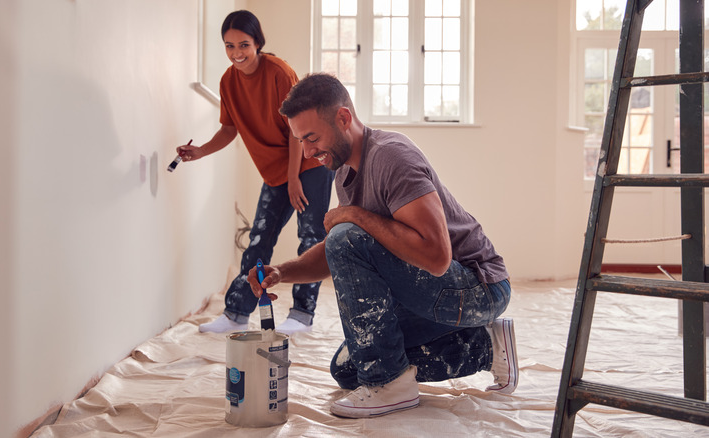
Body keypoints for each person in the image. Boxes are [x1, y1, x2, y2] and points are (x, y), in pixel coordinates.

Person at [248, 73, 517, 418]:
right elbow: (337, 253)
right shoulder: (345, 172)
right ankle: (487, 347)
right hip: (437, 292)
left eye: (311, 137)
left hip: (478, 288)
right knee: (349, 369)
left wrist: (354, 216)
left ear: (343, 118)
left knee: (349, 241)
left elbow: (436, 257)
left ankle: (390, 384)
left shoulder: (392, 157)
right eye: (300, 140)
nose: (308, 151)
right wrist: (281, 272)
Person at [178, 11, 334, 335]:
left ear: (258, 43)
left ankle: (302, 315)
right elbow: (229, 129)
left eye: (244, 44)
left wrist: (294, 178)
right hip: (278, 170)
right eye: (229, 45)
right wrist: (200, 151)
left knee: (310, 238)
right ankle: (236, 312)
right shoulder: (227, 82)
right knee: (259, 240)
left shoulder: (279, 72)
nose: (237, 53)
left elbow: (297, 131)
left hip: (311, 162)